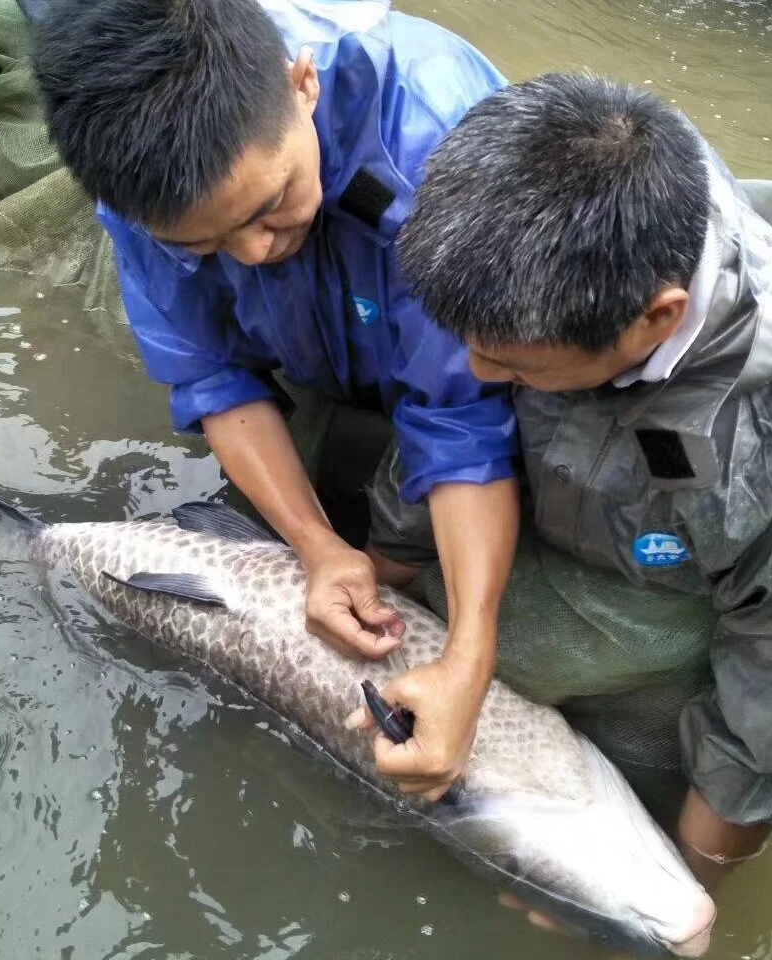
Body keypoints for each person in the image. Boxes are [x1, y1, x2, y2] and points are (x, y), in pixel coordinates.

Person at [32, 0, 521, 794]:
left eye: (269, 207)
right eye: (203, 243)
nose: (255, 251)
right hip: (315, 338)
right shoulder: (136, 194)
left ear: (303, 84)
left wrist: (470, 654)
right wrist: (317, 546)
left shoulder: (441, 143)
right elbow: (210, 375)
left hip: (456, 333)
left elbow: (462, 415)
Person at [384, 72, 772, 896]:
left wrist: (691, 881)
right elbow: (447, 426)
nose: (476, 371)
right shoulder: (516, 271)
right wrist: (375, 567)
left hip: (693, 607)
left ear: (657, 318)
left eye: (511, 365)